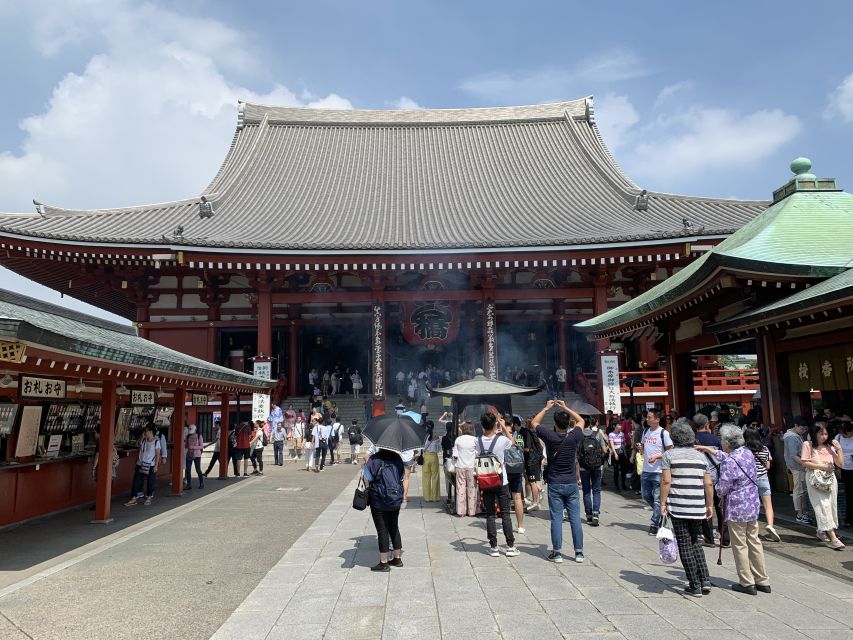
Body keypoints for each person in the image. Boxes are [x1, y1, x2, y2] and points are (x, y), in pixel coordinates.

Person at [700, 425, 771, 595]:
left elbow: (722, 488)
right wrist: (708, 450)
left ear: (727, 442)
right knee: (754, 541)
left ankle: (747, 582)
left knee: (739, 545)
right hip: (753, 505)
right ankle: (762, 580)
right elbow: (725, 455)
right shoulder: (746, 453)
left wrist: (713, 488)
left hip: (737, 507)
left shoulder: (730, 462)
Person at [660, 420, 713, 597]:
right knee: (695, 541)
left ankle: (694, 583)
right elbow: (708, 483)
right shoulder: (700, 456)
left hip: (679, 505)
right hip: (697, 505)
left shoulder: (669, 455)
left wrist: (662, 502)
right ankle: (705, 579)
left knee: (684, 542)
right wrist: (709, 504)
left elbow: (667, 481)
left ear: (674, 437)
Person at [531, 399, 585, 564]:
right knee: (575, 518)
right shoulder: (574, 436)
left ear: (555, 423)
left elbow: (534, 422)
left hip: (555, 482)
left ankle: (557, 552)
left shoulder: (550, 436)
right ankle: (579, 552)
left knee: (556, 518)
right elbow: (581, 420)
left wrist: (546, 408)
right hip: (571, 483)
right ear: (569, 422)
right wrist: (565, 407)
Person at [475, 412, 520, 558]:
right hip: (501, 481)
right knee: (505, 514)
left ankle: (493, 547)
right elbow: (513, 442)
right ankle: (510, 546)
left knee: (490, 515)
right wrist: (502, 425)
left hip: (485, 480)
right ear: (494, 424)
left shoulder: (477, 441)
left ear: (482, 426)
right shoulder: (501, 440)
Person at [801, 423, 845, 549]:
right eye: (821, 434)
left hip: (830, 480)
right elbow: (805, 462)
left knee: (831, 506)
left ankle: (822, 530)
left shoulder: (830, 447)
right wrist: (824, 467)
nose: (824, 436)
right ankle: (833, 538)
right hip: (815, 479)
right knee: (822, 506)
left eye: (826, 434)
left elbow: (840, 464)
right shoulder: (807, 445)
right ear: (814, 434)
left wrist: (839, 449)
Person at [363, 447, 405, 572]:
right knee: (394, 527)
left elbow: (367, 477)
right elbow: (402, 475)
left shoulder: (374, 459)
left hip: (378, 498)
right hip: (395, 497)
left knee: (382, 530)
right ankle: (397, 558)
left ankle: (384, 562)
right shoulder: (398, 458)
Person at [693, 413, 728, 548]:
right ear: (707, 424)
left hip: (700, 478)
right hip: (717, 478)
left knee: (705, 507)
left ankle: (709, 538)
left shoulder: (693, 440)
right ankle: (724, 538)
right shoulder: (715, 440)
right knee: (720, 508)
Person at [638, 409, 673, 535]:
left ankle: (654, 523)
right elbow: (643, 447)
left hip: (659, 470)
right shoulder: (646, 431)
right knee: (646, 495)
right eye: (647, 417)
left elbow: (670, 452)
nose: (647, 419)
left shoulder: (664, 433)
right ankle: (662, 512)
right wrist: (640, 448)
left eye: (649, 417)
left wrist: (657, 457)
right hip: (646, 469)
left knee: (658, 499)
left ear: (657, 419)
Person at [743, 428, 781, 542]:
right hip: (763, 478)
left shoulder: (744, 450)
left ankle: (751, 528)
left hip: (750, 480)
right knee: (768, 505)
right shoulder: (765, 448)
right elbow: (768, 466)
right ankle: (770, 525)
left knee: (751, 505)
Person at [578, 422, 608, 526]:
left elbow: (576, 452)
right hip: (596, 467)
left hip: (583, 468)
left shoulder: (579, 435)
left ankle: (589, 516)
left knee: (586, 491)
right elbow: (604, 450)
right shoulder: (597, 434)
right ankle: (596, 513)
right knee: (596, 491)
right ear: (590, 424)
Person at [782, 417, 810, 524]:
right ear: (796, 426)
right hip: (797, 467)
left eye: (805, 429)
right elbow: (794, 455)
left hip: (799, 466)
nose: (803, 431)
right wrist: (806, 464)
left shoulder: (796, 436)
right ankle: (799, 514)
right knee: (798, 491)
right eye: (802, 429)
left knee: (801, 490)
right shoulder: (792, 438)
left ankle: (802, 512)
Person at [125, 426, 161, 506]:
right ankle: (133, 498)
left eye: (147, 431)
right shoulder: (144, 440)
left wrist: (156, 466)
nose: (145, 432)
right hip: (140, 463)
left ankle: (149, 497)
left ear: (151, 432)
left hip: (150, 464)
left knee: (150, 482)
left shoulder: (156, 442)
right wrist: (142, 437)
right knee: (136, 481)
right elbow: (137, 444)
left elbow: (158, 454)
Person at [453, 422, 478, 516]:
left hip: (460, 466)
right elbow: (478, 453)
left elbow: (455, 454)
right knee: (472, 489)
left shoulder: (458, 439)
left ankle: (460, 511)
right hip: (472, 467)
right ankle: (471, 511)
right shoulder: (475, 440)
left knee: (460, 488)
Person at [521, 417, 543, 509]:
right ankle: (538, 495)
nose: (525, 425)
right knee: (533, 481)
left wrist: (520, 448)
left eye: (526, 423)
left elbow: (527, 448)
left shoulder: (529, 434)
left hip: (531, 460)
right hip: (536, 460)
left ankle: (535, 502)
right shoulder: (536, 432)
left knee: (532, 482)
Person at [837, 418, 853, 528]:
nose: (845, 436)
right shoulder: (837, 438)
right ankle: (849, 518)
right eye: (843, 434)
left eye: (847, 433)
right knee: (849, 494)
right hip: (844, 468)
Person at [422, 424, 442, 502]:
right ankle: (435, 497)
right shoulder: (436, 437)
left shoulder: (423, 437)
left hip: (426, 457)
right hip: (434, 457)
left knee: (426, 477)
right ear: (433, 428)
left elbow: (422, 448)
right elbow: (439, 450)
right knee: (435, 476)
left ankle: (427, 497)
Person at [608, 420, 629, 491]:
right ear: (614, 426)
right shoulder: (611, 434)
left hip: (622, 452)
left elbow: (623, 443)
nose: (620, 426)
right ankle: (616, 485)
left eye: (620, 425)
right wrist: (615, 453)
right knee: (616, 469)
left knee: (623, 469)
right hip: (615, 453)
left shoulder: (622, 434)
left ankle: (623, 484)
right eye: (618, 425)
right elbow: (611, 444)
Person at [184, 424, 204, 489]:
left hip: (197, 455)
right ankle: (189, 485)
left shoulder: (199, 436)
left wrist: (193, 447)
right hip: (189, 454)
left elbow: (201, 446)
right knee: (188, 470)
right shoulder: (188, 436)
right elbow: (186, 445)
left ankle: (201, 483)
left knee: (198, 469)